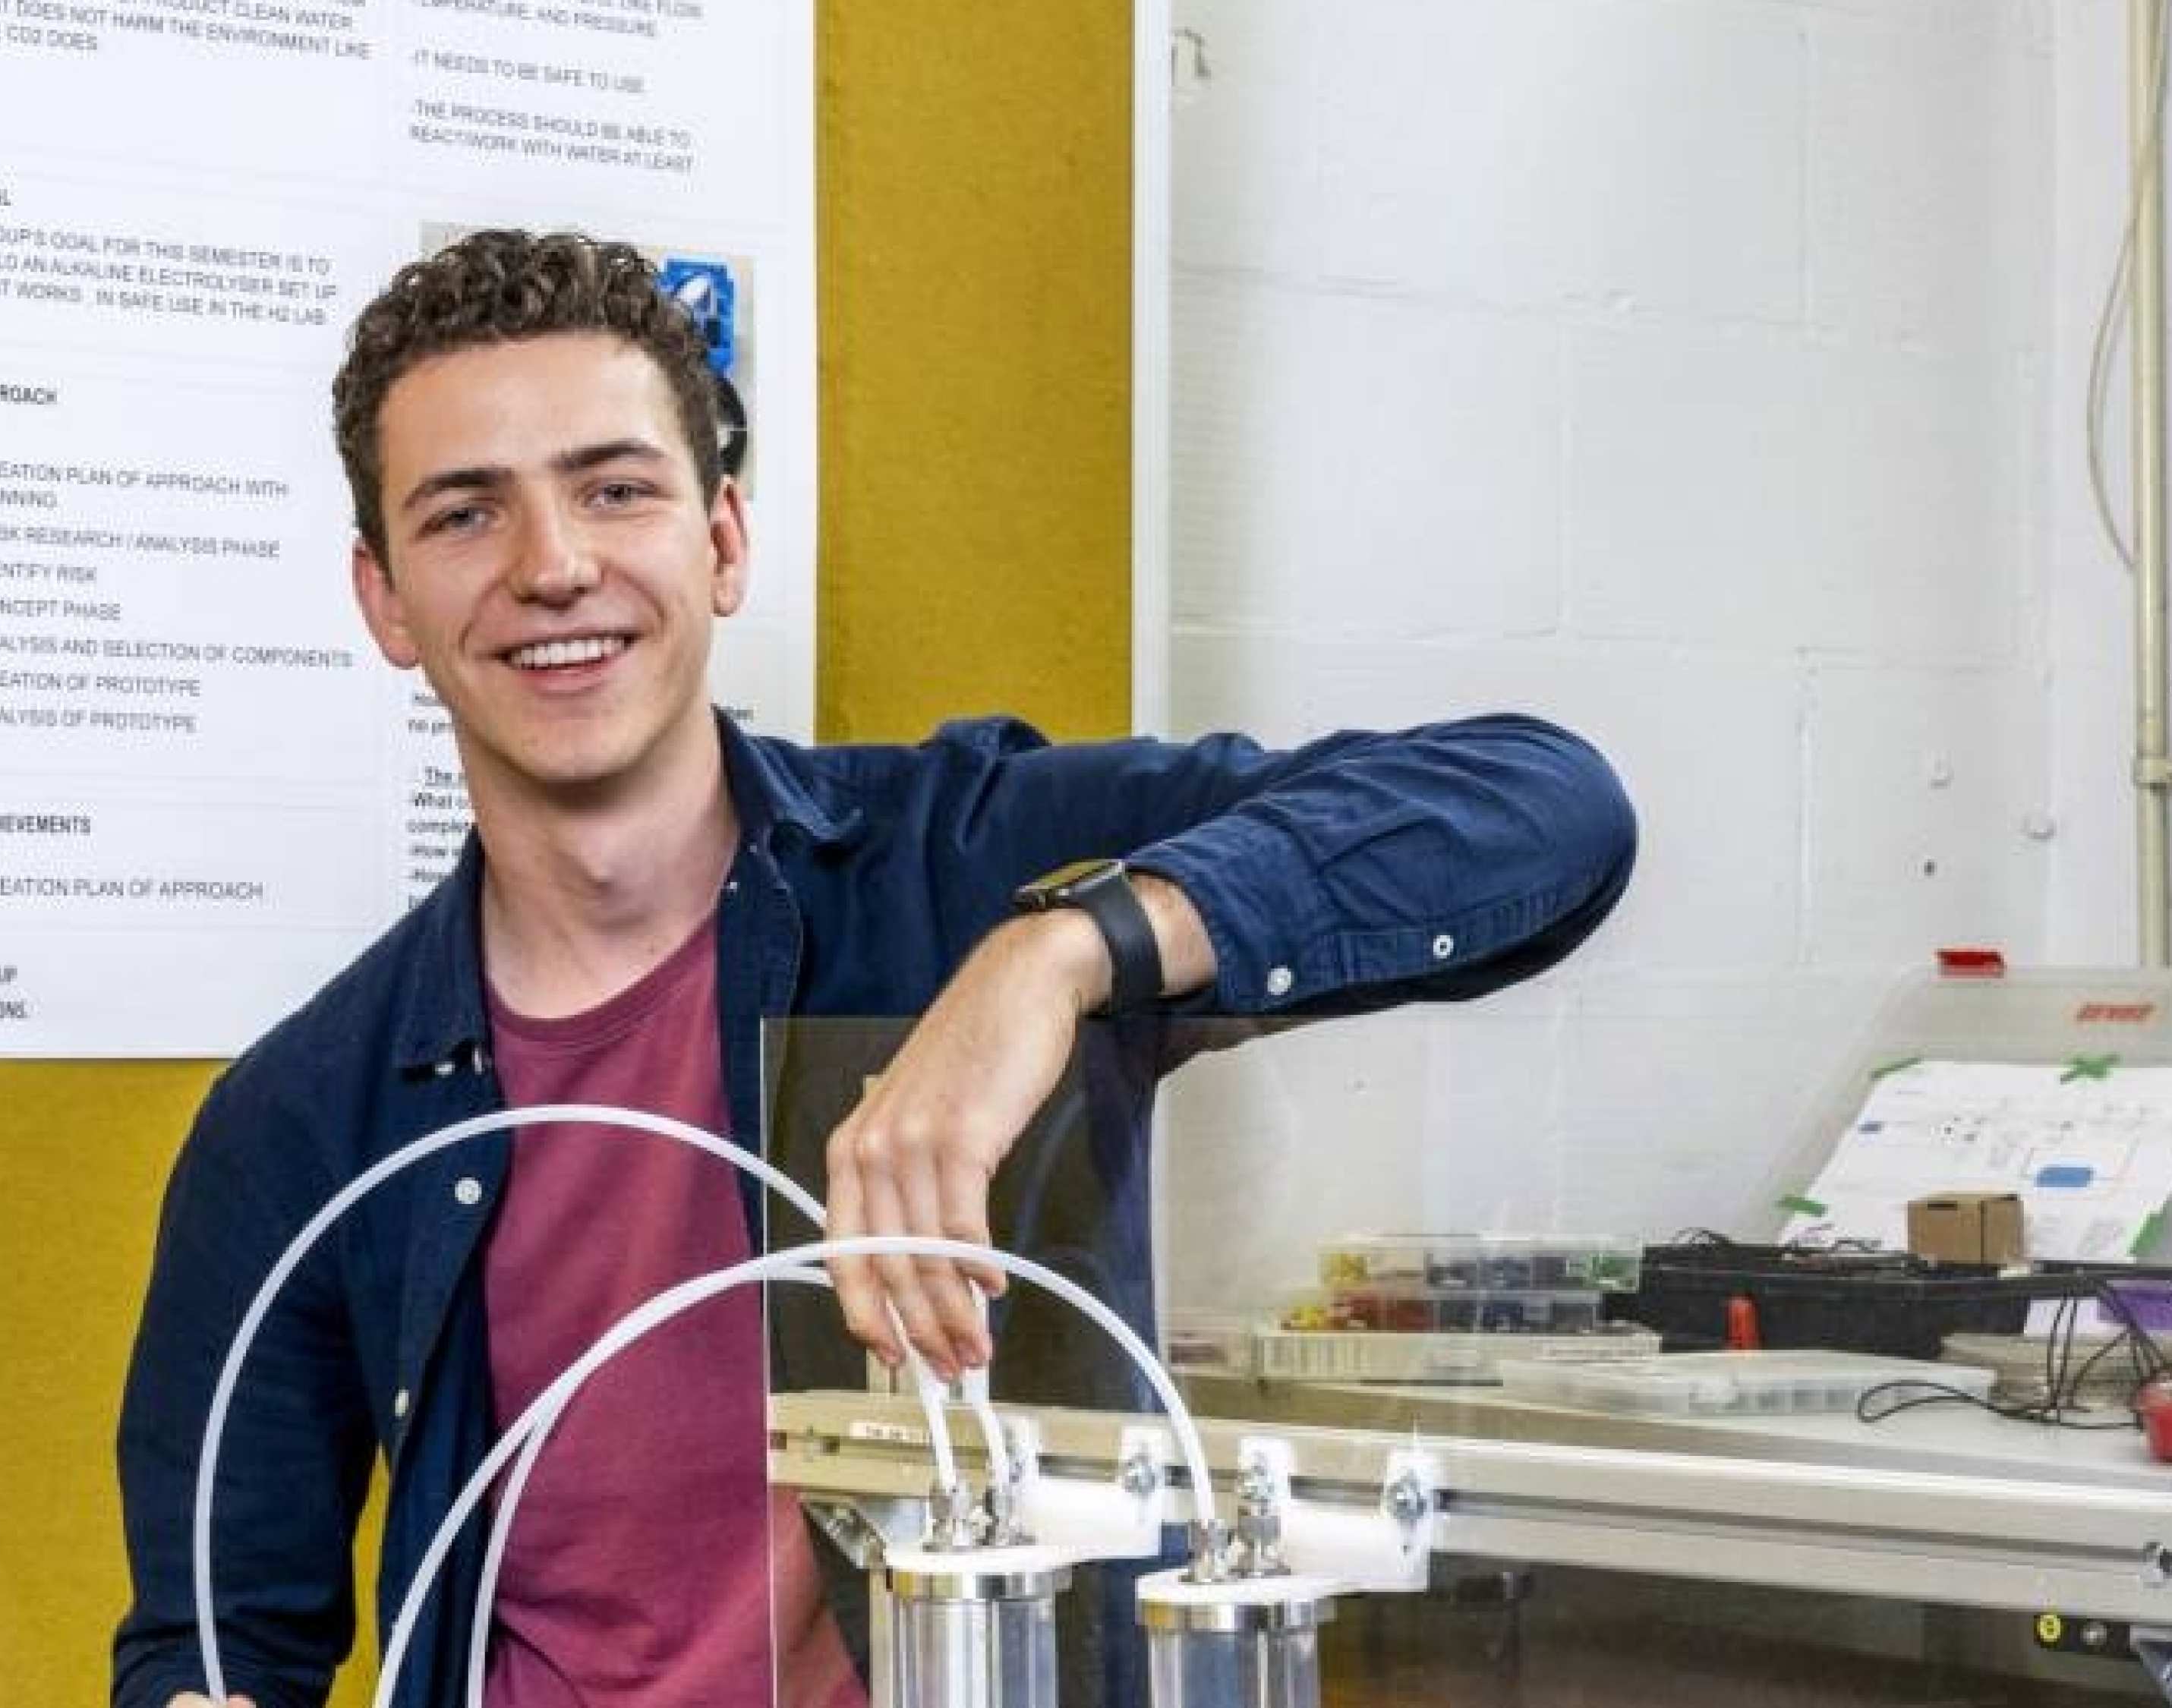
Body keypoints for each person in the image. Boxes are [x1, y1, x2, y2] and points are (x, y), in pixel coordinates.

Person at [113, 228, 1638, 1708]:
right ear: (385, 600)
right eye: (463, 514)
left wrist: (1055, 960)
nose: (553, 566)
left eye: (615, 490)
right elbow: (207, 1633)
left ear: (720, 542)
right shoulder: (307, 1117)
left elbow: (1545, 810)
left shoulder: (960, 866)